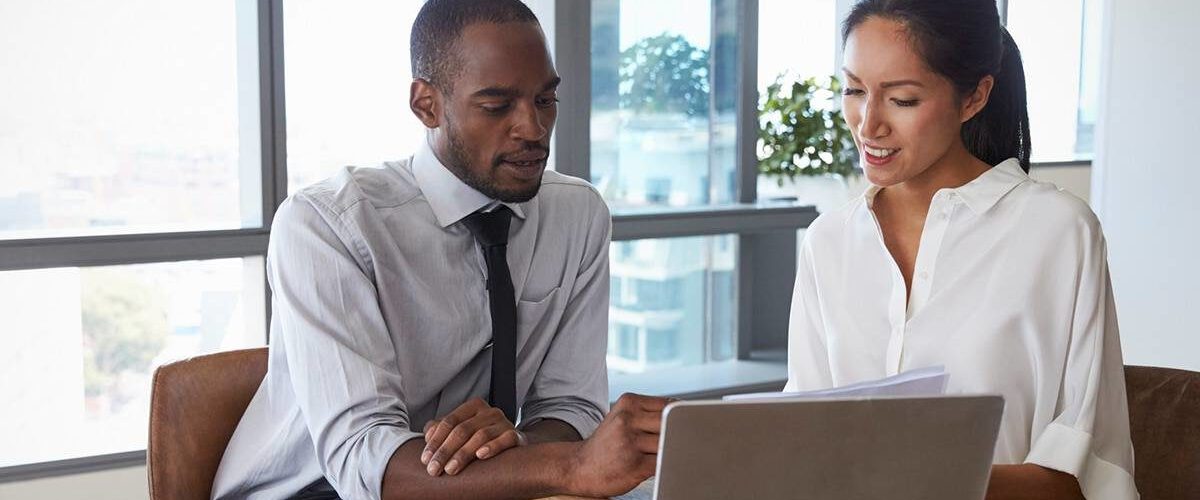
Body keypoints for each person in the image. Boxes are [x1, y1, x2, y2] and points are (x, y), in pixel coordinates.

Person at [212, 1, 665, 498]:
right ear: (426, 104)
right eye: (497, 106)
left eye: (545, 100)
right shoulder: (327, 225)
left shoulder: (577, 215)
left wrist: (518, 443)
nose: (533, 129)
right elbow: (367, 463)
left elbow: (572, 408)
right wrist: (568, 466)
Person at [785, 1, 1137, 499]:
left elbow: (1086, 471)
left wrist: (920, 482)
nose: (868, 125)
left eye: (902, 99)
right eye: (854, 90)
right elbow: (798, 433)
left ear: (974, 97)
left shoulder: (1058, 233)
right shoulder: (829, 242)